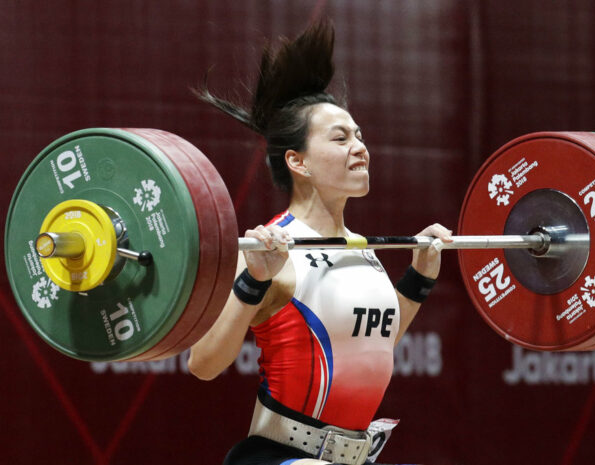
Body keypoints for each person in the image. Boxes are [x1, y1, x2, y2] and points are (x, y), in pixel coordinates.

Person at [188, 20, 452, 465]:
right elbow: (204, 364)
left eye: (360, 135)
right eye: (340, 138)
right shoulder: (269, 249)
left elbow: (372, 344)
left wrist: (418, 279)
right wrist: (253, 281)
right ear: (298, 161)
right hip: (277, 457)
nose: (360, 147)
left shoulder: (361, 248)